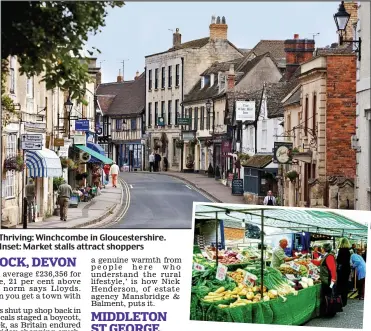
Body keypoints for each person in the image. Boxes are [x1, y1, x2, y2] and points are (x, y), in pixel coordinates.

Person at [319, 243, 337, 317]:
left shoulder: (329, 257)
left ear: (325, 248)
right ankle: (327, 311)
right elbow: (321, 263)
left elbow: (333, 270)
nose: (321, 249)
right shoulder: (326, 256)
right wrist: (311, 261)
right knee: (327, 296)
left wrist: (332, 282)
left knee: (328, 296)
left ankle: (329, 312)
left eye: (322, 248)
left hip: (328, 280)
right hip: (326, 280)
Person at [336, 237, 351, 307]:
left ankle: (340, 301)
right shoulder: (348, 251)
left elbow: (339, 260)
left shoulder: (341, 250)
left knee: (340, 285)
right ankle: (344, 301)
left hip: (341, 270)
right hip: (347, 269)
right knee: (345, 285)